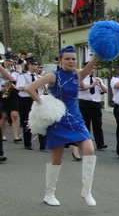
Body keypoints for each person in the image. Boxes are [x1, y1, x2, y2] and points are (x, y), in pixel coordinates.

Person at [24, 46, 100, 207]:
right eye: (67, 58)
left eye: (73, 59)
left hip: (75, 118)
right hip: (57, 119)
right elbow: (30, 88)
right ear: (60, 61)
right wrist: (43, 104)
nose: (71, 61)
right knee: (57, 160)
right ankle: (49, 194)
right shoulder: (53, 76)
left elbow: (90, 66)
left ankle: (86, 191)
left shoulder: (77, 75)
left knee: (89, 149)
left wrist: (98, 54)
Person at [15, 57, 47, 150]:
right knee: (27, 121)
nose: (34, 67)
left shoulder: (38, 76)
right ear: (28, 65)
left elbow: (42, 89)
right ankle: (27, 143)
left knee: (41, 120)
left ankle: (43, 145)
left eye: (35, 65)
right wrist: (30, 88)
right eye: (32, 65)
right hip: (26, 99)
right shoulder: (23, 75)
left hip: (37, 98)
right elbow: (19, 87)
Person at [78, 69, 108, 150]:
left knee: (98, 124)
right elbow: (80, 88)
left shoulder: (98, 79)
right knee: (85, 124)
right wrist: (92, 85)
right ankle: (85, 142)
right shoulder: (82, 78)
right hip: (85, 103)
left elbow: (106, 90)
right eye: (91, 68)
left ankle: (100, 143)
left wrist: (100, 84)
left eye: (94, 69)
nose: (92, 70)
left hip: (96, 104)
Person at [1, 53, 22, 142]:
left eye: (11, 61)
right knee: (3, 116)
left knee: (14, 115)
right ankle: (3, 135)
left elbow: (13, 79)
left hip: (12, 92)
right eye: (7, 60)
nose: (9, 62)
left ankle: (16, 136)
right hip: (2, 92)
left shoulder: (15, 70)